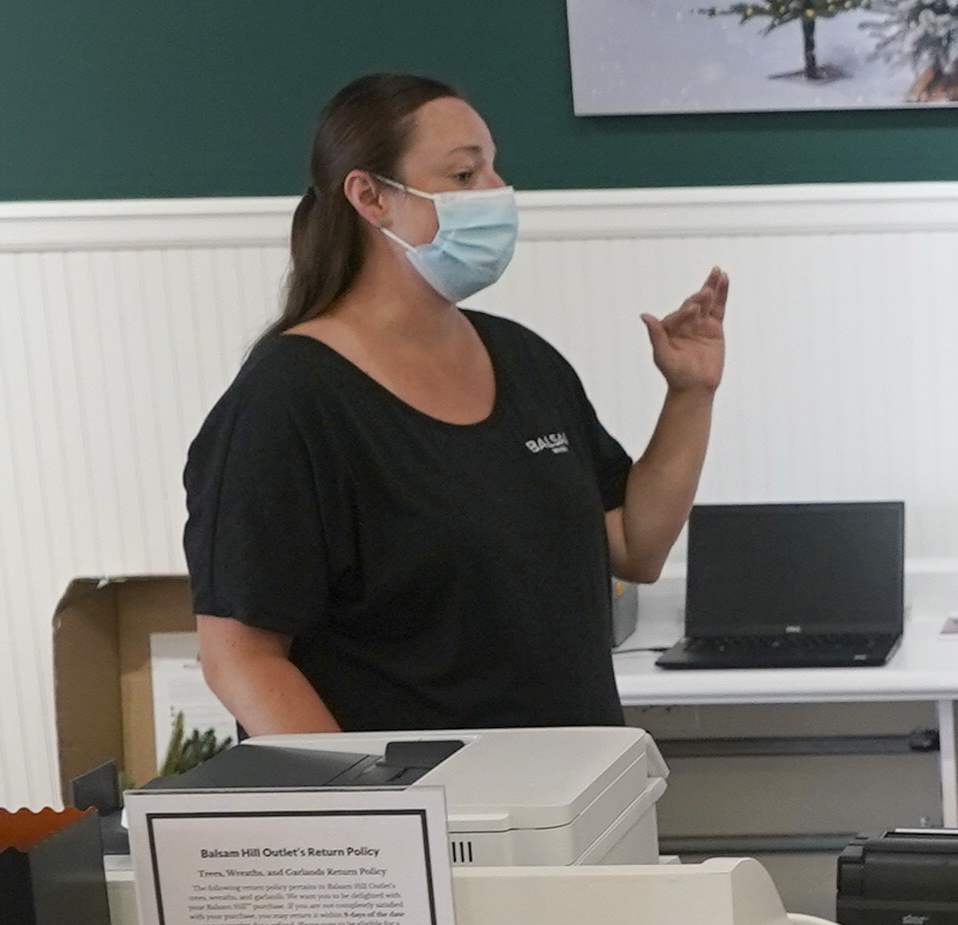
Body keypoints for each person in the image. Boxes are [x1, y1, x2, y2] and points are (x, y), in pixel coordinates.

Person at [180, 73, 730, 735]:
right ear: (370, 196)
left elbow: (634, 546)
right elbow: (240, 657)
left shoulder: (524, 360)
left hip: (577, 782)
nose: (497, 191)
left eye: (494, 168)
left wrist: (690, 394)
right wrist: (372, 797)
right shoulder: (288, 401)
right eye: (465, 175)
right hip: (427, 797)